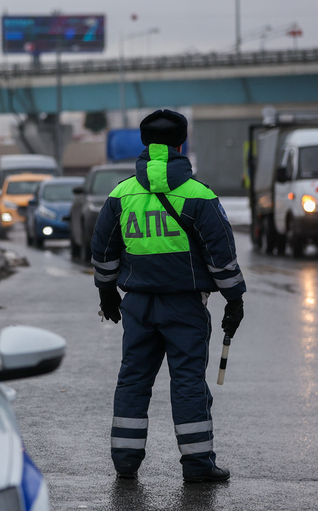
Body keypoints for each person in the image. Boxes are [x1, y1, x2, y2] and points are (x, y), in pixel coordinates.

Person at [91, 109, 246, 483]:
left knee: (133, 380)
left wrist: (107, 293)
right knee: (189, 383)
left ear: (145, 144)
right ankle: (197, 465)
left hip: (138, 306)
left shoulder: (121, 194)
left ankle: (125, 462)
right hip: (185, 307)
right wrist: (234, 299)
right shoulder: (198, 195)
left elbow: (103, 250)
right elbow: (221, 254)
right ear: (181, 144)